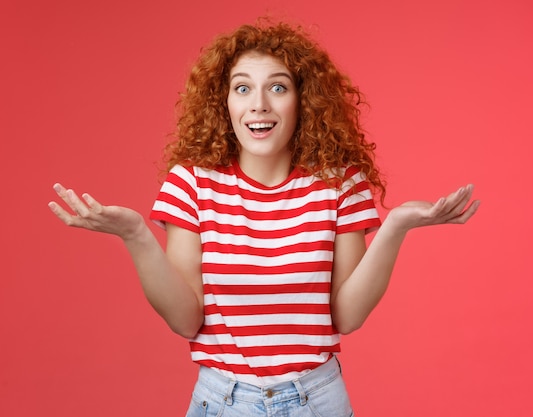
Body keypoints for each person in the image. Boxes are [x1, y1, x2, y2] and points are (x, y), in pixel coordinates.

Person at [48, 18, 479, 417]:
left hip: (318, 400)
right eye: (242, 88)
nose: (258, 105)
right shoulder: (191, 183)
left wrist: (397, 227)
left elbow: (345, 317)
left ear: (303, 100)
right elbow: (186, 319)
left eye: (277, 88)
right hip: (221, 400)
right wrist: (137, 236)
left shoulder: (341, 183)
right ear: (224, 102)